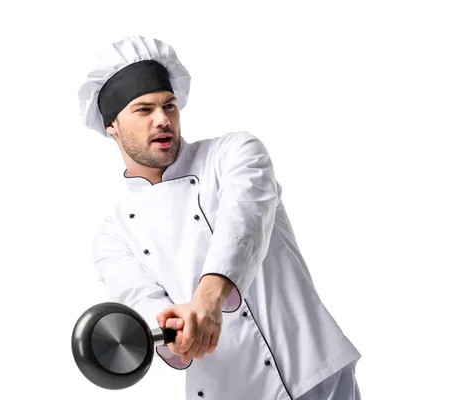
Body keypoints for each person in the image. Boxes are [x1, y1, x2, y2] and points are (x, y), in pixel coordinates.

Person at [78, 35, 362, 400]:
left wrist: (208, 300)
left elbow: (244, 221)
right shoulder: (113, 235)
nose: (163, 119)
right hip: (229, 389)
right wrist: (177, 330)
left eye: (169, 106)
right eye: (144, 110)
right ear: (112, 127)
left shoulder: (234, 153)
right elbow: (147, 316)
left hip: (313, 373)